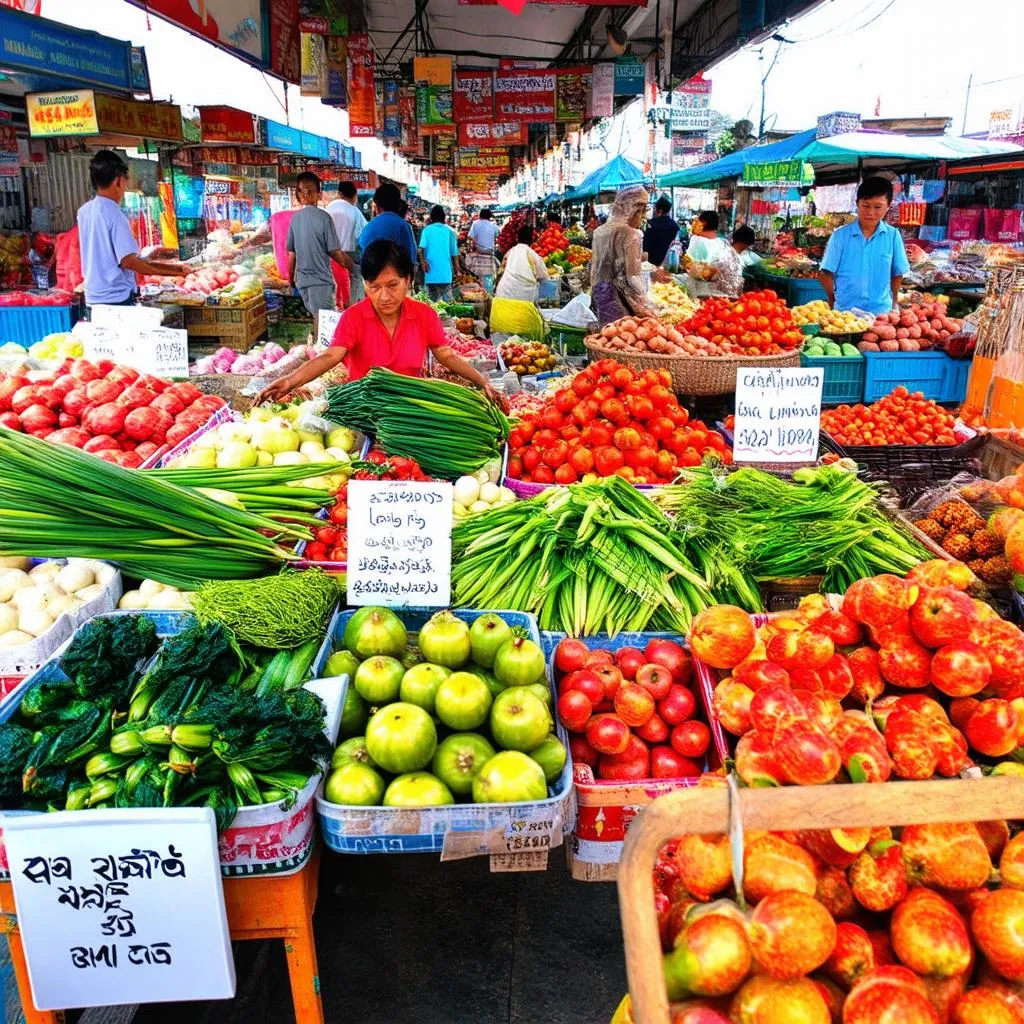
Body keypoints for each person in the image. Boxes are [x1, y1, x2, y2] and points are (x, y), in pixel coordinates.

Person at [254, 241, 505, 407]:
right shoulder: (353, 317)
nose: (384, 297)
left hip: (410, 405)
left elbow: (447, 356)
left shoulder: (424, 315)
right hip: (364, 408)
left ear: (408, 280)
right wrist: (290, 381)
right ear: (364, 286)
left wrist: (484, 382)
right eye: (374, 288)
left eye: (392, 285)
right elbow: (330, 356)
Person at [77, 150, 185, 312]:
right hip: (116, 300)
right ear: (118, 182)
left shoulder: (84, 211)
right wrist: (174, 273)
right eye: (125, 181)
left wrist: (174, 269)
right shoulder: (114, 214)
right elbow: (128, 262)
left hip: (93, 298)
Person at [818, 177, 909, 315]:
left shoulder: (893, 236)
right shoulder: (840, 236)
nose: (871, 212)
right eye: (866, 206)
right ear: (857, 204)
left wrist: (894, 303)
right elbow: (825, 273)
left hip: (881, 314)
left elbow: (897, 273)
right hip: (844, 315)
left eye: (878, 207)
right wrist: (833, 299)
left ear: (888, 206)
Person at [286, 172, 353, 329]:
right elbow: (335, 252)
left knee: (317, 318)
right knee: (323, 324)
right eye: (304, 190)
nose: (305, 194)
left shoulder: (294, 219)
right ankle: (318, 351)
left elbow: (291, 256)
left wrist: (291, 281)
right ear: (319, 194)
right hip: (320, 282)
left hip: (303, 282)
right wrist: (354, 268)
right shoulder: (324, 218)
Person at [590, 185, 657, 327]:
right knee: (622, 337)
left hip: (599, 292)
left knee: (606, 336)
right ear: (634, 210)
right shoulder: (631, 234)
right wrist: (648, 301)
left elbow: (602, 264)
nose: (643, 216)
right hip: (620, 299)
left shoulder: (599, 231)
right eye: (643, 211)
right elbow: (633, 276)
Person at [358, 183, 418, 268]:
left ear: (377, 206)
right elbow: (411, 258)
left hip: (371, 277)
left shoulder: (368, 227)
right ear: (398, 204)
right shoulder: (403, 226)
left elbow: (361, 251)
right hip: (395, 277)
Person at [326, 181, 367, 304]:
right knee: (356, 275)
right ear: (355, 195)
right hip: (349, 253)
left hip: (329, 253)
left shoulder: (329, 207)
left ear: (339, 194)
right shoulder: (354, 211)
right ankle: (357, 305)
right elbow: (363, 233)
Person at [495, 225, 549, 303]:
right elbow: (545, 277)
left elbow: (499, 273)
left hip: (499, 301)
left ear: (517, 238)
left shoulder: (509, 253)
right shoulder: (532, 255)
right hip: (522, 305)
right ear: (532, 239)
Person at [418, 205, 459, 302]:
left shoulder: (426, 230)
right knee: (446, 304)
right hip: (446, 273)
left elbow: (420, 249)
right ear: (444, 217)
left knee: (432, 303)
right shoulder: (449, 231)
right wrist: (457, 269)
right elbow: (455, 253)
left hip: (430, 272)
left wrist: (423, 263)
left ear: (431, 217)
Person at [643, 196, 680, 267]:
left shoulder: (650, 224)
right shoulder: (675, 226)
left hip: (651, 264)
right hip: (669, 264)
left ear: (660, 210)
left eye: (654, 209)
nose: (654, 211)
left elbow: (645, 248)